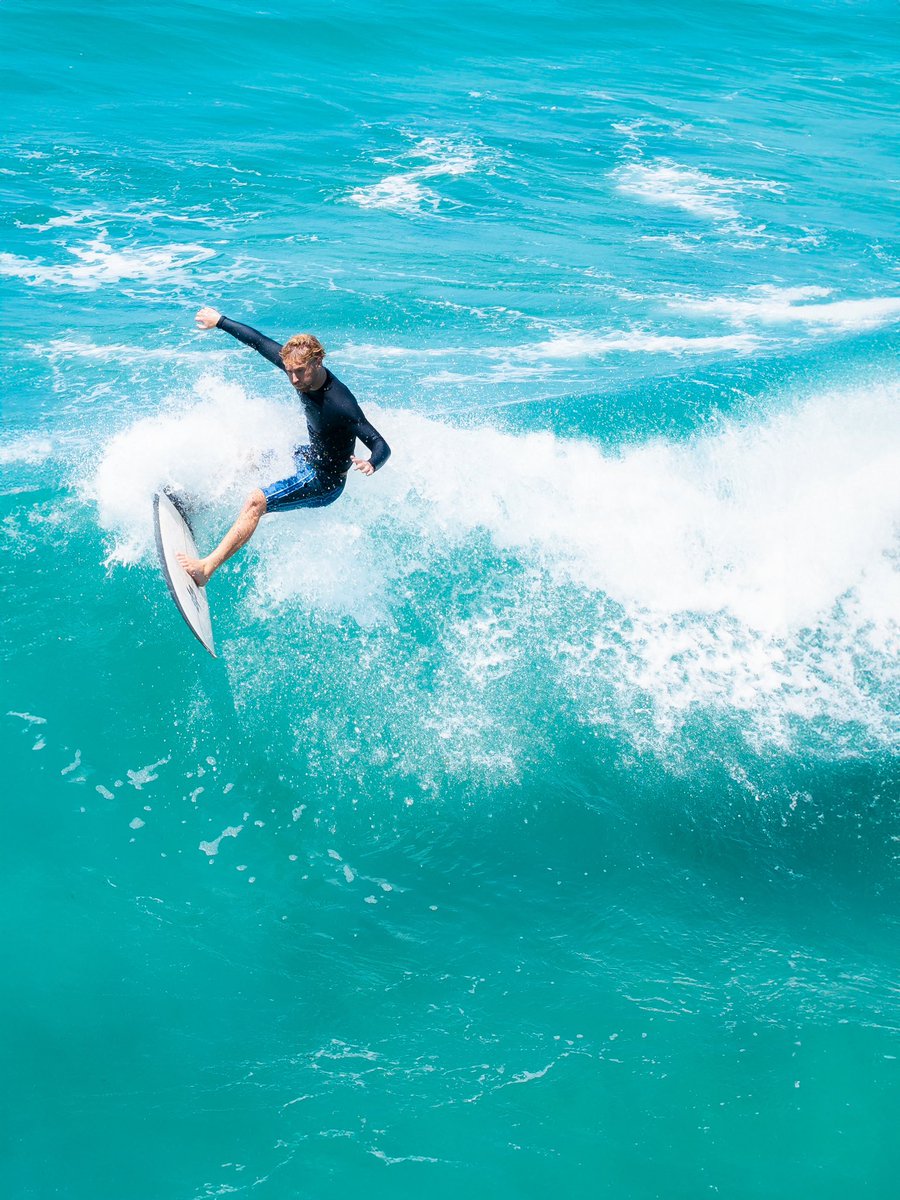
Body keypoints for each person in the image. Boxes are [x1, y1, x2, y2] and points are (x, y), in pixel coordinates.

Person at [176, 306, 391, 587]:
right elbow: (259, 342)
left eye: (299, 372)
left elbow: (379, 443)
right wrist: (221, 321)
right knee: (252, 457)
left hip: (323, 480)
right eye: (289, 371)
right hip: (309, 455)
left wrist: (372, 462)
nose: (294, 380)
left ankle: (206, 568)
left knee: (256, 501)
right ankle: (196, 505)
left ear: (318, 362)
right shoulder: (298, 369)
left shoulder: (341, 404)